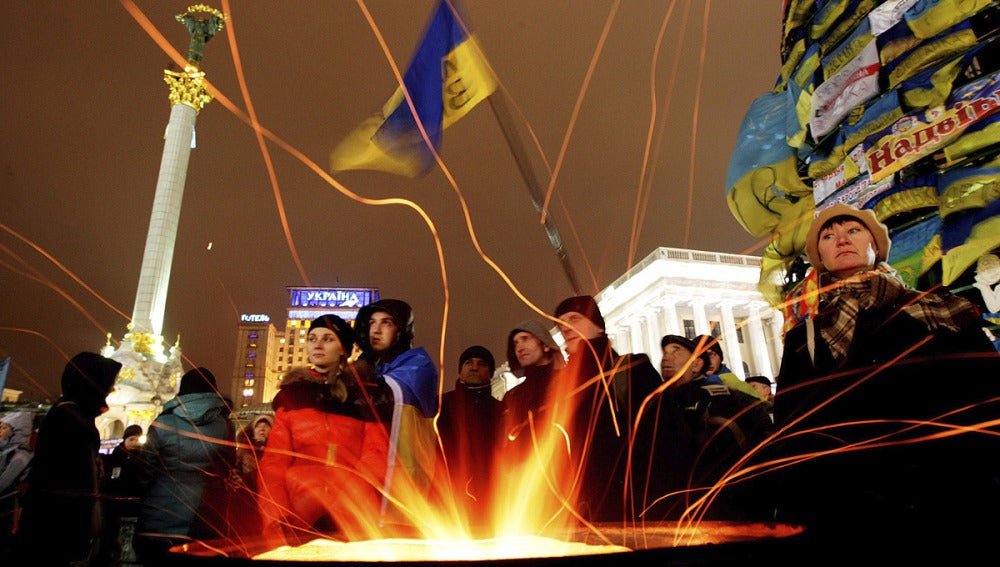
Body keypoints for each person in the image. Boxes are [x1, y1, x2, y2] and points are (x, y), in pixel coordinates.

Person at [771, 203, 1000, 547]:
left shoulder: (937, 307)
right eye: (829, 236)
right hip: (850, 510)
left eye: (853, 231)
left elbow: (986, 394)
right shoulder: (804, 338)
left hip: (947, 497)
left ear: (875, 246)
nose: (841, 240)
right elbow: (792, 430)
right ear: (820, 256)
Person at [257, 314, 390, 546]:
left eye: (328, 339)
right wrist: (278, 517)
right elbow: (273, 464)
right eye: (312, 338)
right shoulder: (293, 396)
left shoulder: (366, 396)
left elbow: (376, 455)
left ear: (343, 350)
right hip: (297, 519)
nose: (317, 344)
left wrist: (344, 502)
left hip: (354, 517)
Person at [552, 295, 662, 522]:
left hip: (626, 508)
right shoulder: (561, 386)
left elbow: (658, 441)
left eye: (574, 318)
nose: (566, 328)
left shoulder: (631, 370)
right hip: (576, 510)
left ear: (598, 327)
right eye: (561, 323)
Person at [14, 351, 123, 565]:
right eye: (108, 383)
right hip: (56, 530)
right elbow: (71, 482)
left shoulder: (69, 414)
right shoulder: (73, 420)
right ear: (92, 383)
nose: (112, 389)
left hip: (51, 526)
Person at [650, 335, 763, 521]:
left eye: (676, 351)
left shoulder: (713, 397)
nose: (666, 357)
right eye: (665, 352)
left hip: (713, 505)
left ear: (696, 365)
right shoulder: (662, 400)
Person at [354, 299, 440, 534]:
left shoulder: (419, 366)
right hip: (369, 479)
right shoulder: (370, 367)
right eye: (371, 323)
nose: (376, 330)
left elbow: (386, 396)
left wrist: (351, 381)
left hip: (406, 482)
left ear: (402, 329)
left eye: (386, 323)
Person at [135, 367, 235, 565]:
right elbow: (228, 465)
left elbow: (146, 470)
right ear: (213, 390)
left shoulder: (163, 423)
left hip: (160, 519)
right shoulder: (225, 425)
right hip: (205, 518)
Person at [436, 345, 501, 534]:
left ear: (490, 373)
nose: (474, 367)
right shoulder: (441, 405)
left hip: (491, 498)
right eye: (468, 362)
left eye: (481, 364)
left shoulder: (501, 409)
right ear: (460, 371)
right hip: (448, 496)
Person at [499, 319, 566, 465]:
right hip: (527, 478)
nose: (519, 347)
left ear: (545, 345)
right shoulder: (512, 396)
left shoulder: (567, 382)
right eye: (515, 343)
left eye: (525, 339)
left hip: (562, 468)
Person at [99, 424, 146, 566]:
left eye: (137, 439)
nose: (135, 443)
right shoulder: (114, 458)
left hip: (134, 507)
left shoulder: (143, 459)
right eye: (132, 439)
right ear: (125, 440)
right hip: (113, 507)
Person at [227, 415, 272, 542]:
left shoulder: (275, 451)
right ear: (253, 431)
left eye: (266, 426)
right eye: (258, 426)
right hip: (248, 497)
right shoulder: (244, 451)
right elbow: (235, 470)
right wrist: (238, 481)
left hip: (268, 498)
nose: (262, 429)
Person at [0, 411, 34, 550]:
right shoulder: (5, 450)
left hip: (5, 508)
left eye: (4, 428)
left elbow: (3, 483)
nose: (0, 431)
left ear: (17, 431)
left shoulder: (21, 455)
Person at [696, 334, 764, 400]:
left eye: (711, 355)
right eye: (702, 356)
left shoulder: (734, 383)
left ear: (720, 357)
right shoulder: (689, 385)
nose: (708, 362)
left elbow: (761, 405)